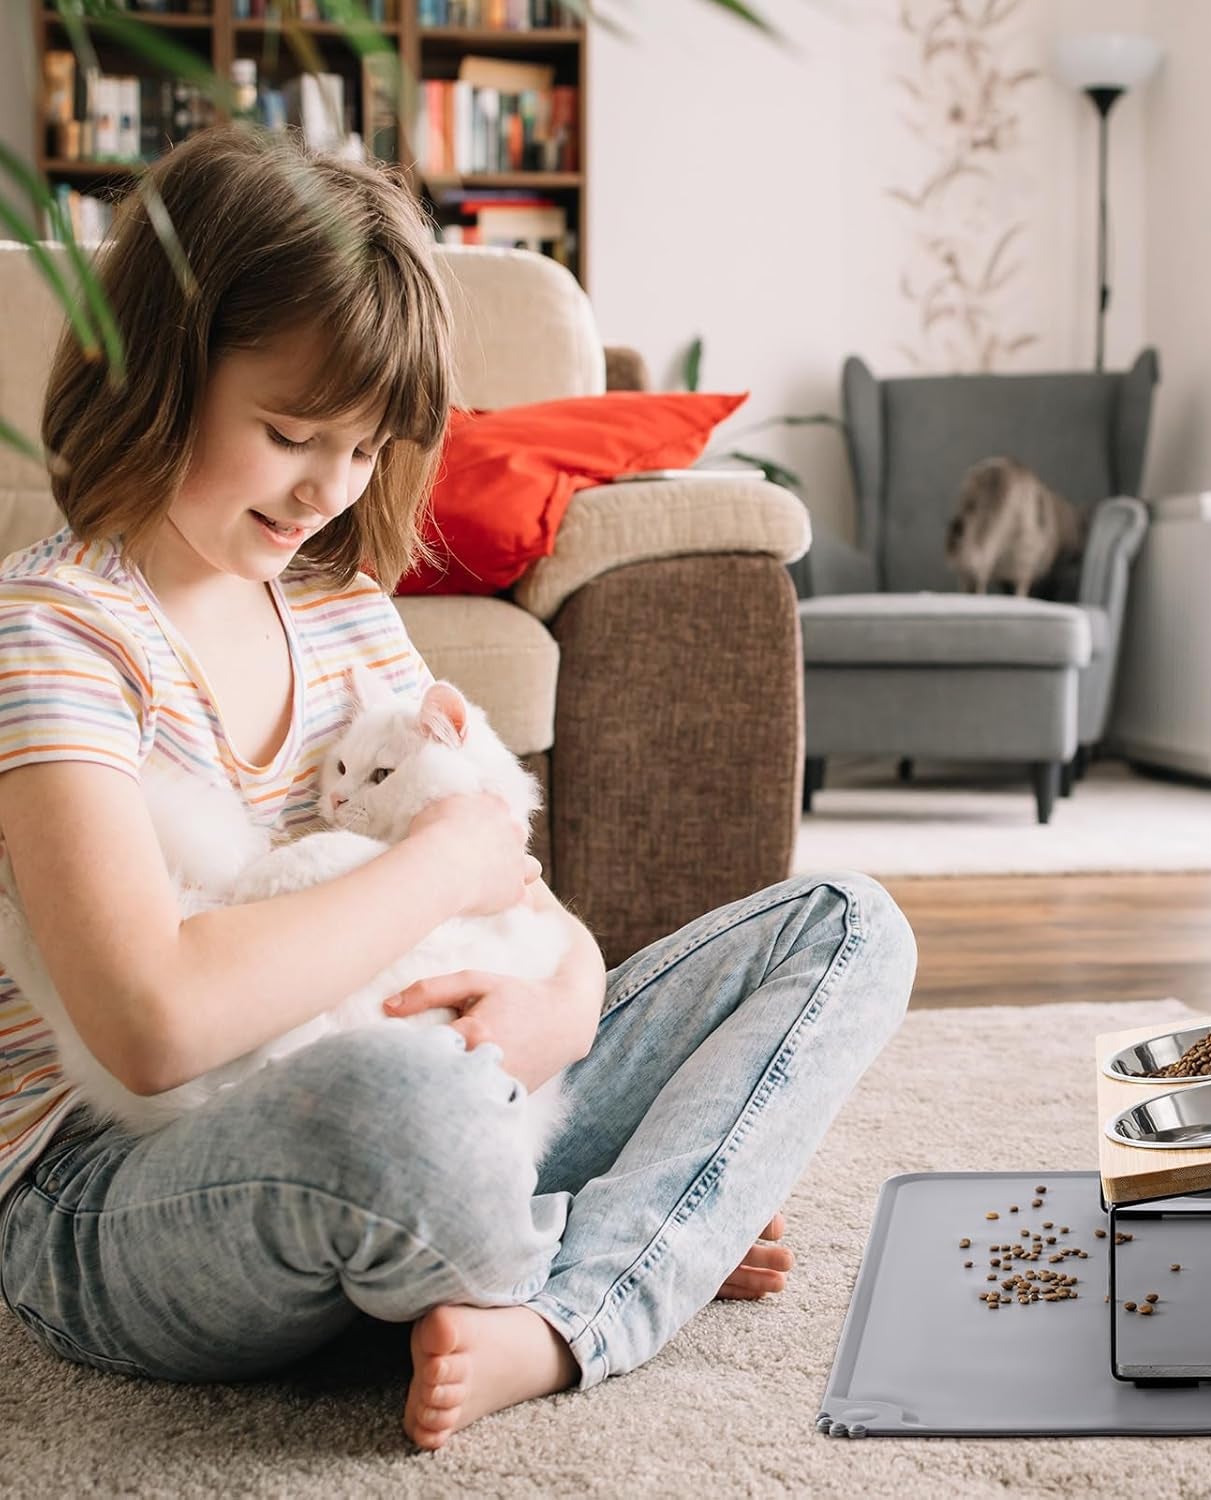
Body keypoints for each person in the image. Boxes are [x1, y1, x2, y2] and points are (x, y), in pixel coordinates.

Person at [0, 126, 917, 1451]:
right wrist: (440, 864)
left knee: (844, 924)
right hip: (130, 1188)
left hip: (475, 1091)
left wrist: (554, 1006)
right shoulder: (54, 632)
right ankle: (641, 1232)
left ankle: (558, 1300)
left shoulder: (346, 613)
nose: (330, 488)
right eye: (291, 432)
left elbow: (542, 920)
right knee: (408, 1114)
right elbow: (153, 1025)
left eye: (369, 450)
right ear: (159, 373)